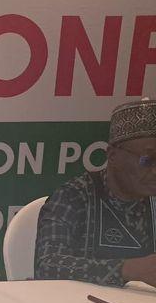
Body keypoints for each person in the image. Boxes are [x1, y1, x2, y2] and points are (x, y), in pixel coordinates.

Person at [35, 98, 156, 287]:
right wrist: (129, 270)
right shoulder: (74, 197)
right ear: (113, 156)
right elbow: (48, 265)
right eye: (147, 160)